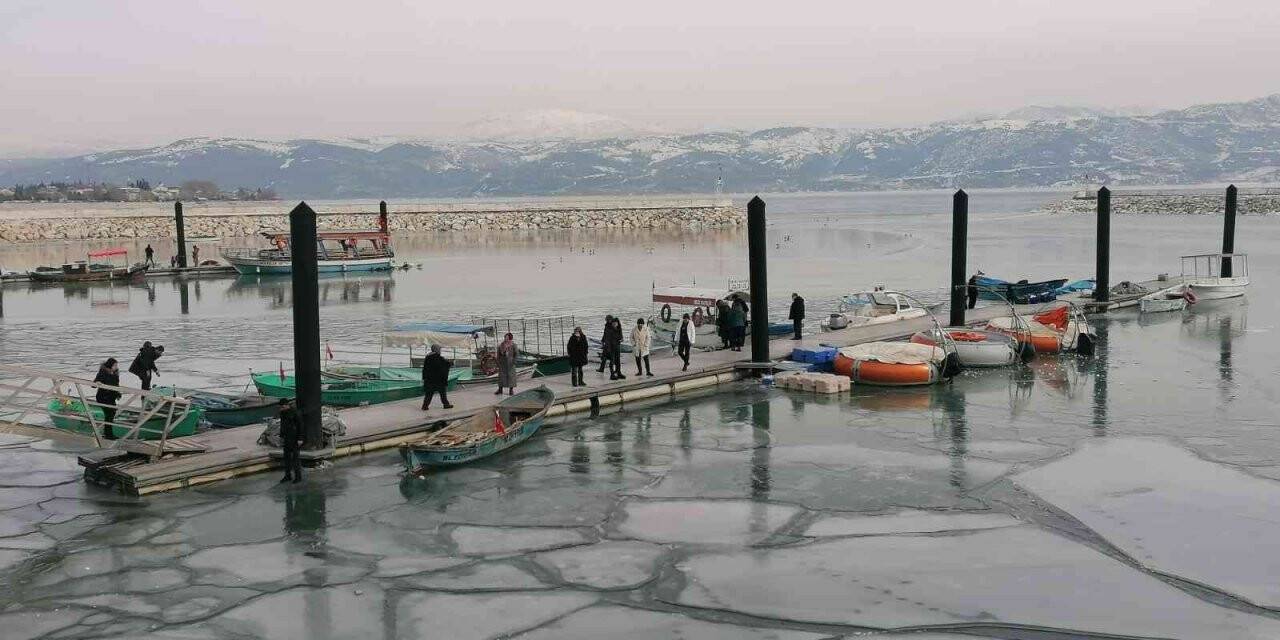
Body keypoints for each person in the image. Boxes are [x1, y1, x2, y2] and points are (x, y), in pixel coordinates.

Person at [93, 358, 122, 440]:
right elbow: (94, 384)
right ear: (110, 365)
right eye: (115, 365)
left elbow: (116, 385)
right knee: (109, 414)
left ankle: (108, 434)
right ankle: (108, 435)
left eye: (116, 365)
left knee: (111, 414)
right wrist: (97, 382)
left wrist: (118, 394)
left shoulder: (115, 374)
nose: (116, 367)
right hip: (103, 397)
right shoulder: (103, 372)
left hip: (111, 398)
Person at [420, 343, 453, 410]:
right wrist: (450, 364)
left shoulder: (428, 357)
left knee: (429, 393)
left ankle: (425, 406)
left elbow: (425, 369)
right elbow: (442, 366)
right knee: (442, 392)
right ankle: (446, 404)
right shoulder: (437, 357)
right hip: (438, 379)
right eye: (439, 349)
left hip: (429, 379)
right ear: (436, 349)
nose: (440, 350)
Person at [278, 398, 303, 483]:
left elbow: (300, 425)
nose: (280, 408)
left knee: (295, 458)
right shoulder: (282, 413)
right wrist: (281, 436)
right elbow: (282, 425)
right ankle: (287, 475)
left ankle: (298, 477)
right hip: (286, 437)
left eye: (282, 407)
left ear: (286, 405)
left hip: (295, 438)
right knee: (286, 458)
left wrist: (300, 438)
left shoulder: (295, 412)